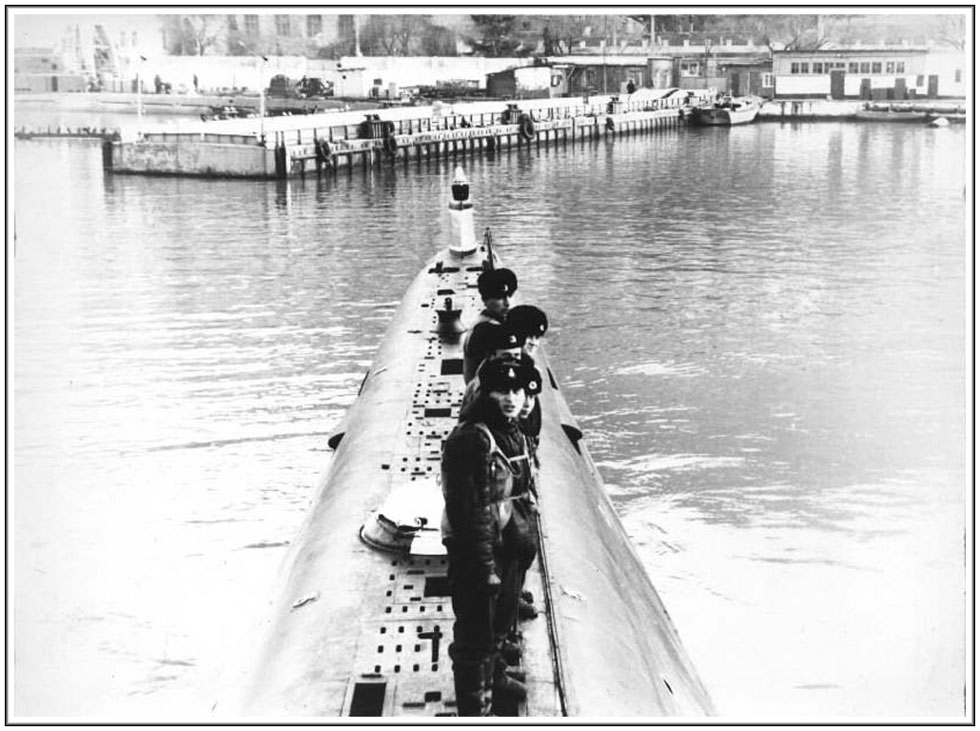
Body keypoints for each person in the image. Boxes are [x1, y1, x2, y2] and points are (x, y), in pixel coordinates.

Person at [441, 356, 535, 716]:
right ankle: (474, 712)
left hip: (506, 543)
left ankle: (494, 679)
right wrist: (484, 569)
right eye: (501, 391)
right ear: (485, 394)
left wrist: (522, 547)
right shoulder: (472, 439)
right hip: (478, 551)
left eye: (516, 390)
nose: (511, 398)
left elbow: (518, 496)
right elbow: (471, 513)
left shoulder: (512, 431)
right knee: (474, 637)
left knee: (498, 626)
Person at [462, 268, 518, 383]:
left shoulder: (485, 320)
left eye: (510, 296)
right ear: (485, 300)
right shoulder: (486, 330)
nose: (507, 303)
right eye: (500, 298)